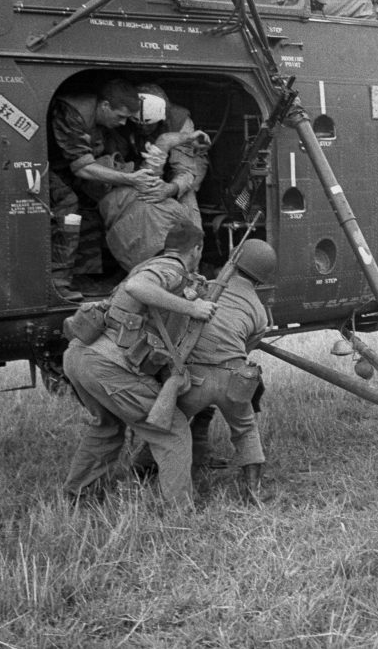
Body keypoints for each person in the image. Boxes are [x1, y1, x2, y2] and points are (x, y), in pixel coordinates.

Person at [62, 220, 217, 509]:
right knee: (173, 431)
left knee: (106, 427)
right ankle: (180, 512)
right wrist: (193, 308)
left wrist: (191, 293)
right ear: (196, 249)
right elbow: (137, 287)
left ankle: (78, 498)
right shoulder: (170, 269)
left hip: (80, 355)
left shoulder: (153, 265)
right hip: (106, 364)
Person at [134, 239, 275, 502]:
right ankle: (252, 491)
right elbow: (247, 347)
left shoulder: (206, 289)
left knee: (168, 424)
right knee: (246, 429)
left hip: (194, 380)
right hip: (234, 380)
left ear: (234, 261)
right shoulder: (259, 310)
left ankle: (142, 472)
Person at [48, 79, 160, 300]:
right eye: (120, 116)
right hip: (46, 165)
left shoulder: (105, 122)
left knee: (91, 202)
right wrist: (130, 179)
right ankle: (58, 281)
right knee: (68, 204)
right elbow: (83, 167)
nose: (122, 122)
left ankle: (82, 274)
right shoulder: (72, 111)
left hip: (68, 168)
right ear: (105, 106)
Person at [100, 84, 211, 271]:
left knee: (188, 208)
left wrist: (171, 189)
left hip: (183, 171)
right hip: (141, 169)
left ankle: (192, 270)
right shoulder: (121, 121)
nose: (144, 129)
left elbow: (185, 170)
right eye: (139, 124)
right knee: (126, 203)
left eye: (150, 124)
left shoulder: (180, 122)